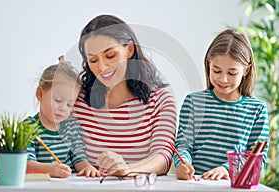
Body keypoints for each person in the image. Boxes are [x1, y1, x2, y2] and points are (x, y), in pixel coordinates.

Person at [72, 14, 177, 176]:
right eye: (93, 60)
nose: (102, 67)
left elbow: (162, 158)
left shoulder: (160, 100)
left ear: (129, 49)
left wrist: (127, 170)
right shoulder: (77, 100)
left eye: (110, 56)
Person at [174, 29, 269, 180]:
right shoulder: (193, 102)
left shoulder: (257, 109)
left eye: (232, 73)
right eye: (216, 71)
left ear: (246, 70)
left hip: (231, 186)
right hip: (196, 184)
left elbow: (257, 159)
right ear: (208, 64)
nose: (223, 79)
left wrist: (227, 169)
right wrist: (183, 163)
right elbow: (183, 145)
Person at [27, 58, 101, 178]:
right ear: (40, 94)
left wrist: (87, 167)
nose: (63, 108)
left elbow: (78, 158)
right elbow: (26, 163)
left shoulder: (71, 127)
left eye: (69, 105)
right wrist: (50, 169)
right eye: (58, 100)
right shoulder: (29, 127)